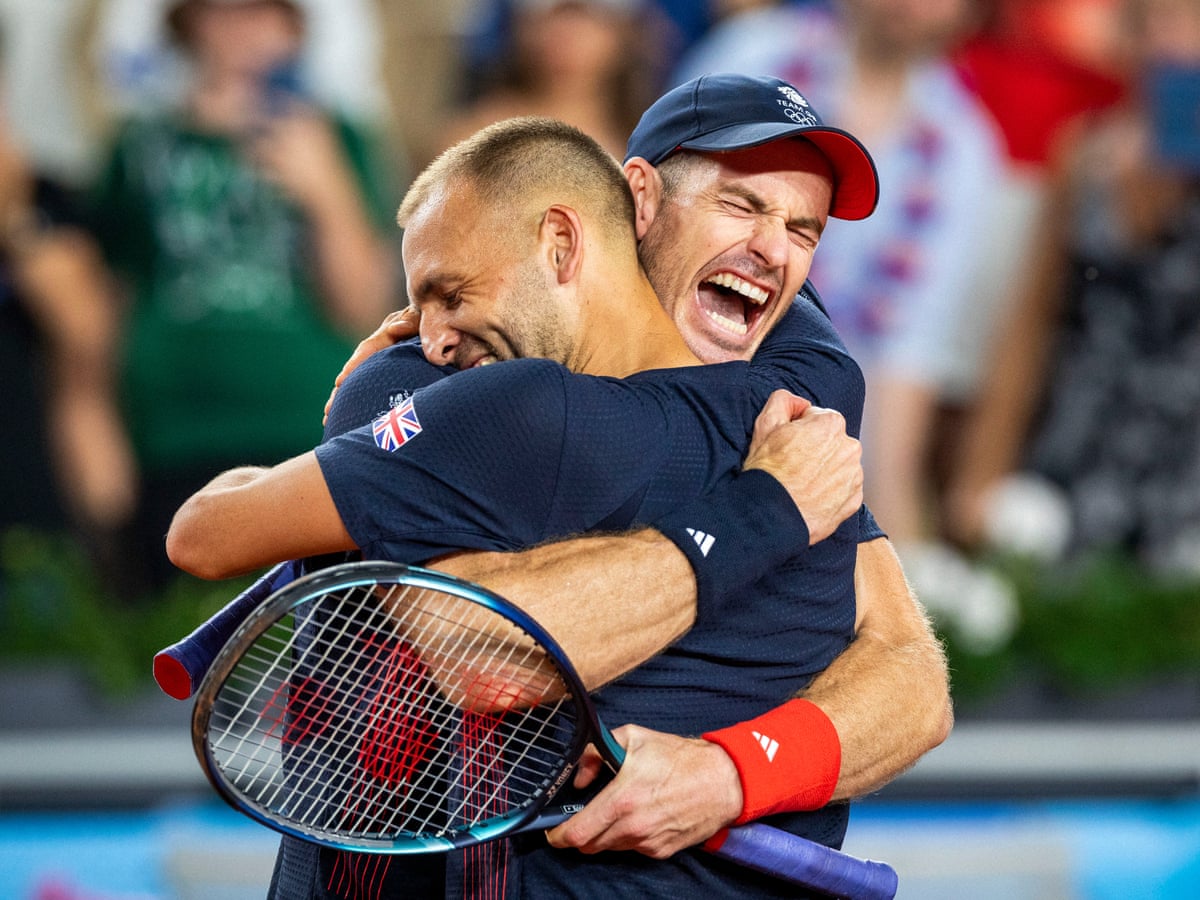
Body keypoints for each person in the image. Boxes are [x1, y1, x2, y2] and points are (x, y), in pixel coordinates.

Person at [171, 79, 948, 896]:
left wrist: (731, 773)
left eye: (802, 229)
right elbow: (474, 646)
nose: (772, 250)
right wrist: (760, 514)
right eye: (739, 205)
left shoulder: (801, 404)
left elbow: (911, 678)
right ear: (638, 199)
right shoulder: (474, 388)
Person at [87, 0, 399, 592]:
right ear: (186, 24)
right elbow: (108, 304)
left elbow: (361, 304)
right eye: (224, 12)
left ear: (294, 28)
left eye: (265, 13)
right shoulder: (139, 143)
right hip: (170, 433)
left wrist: (326, 190)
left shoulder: (340, 137)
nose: (245, 31)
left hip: (307, 429)